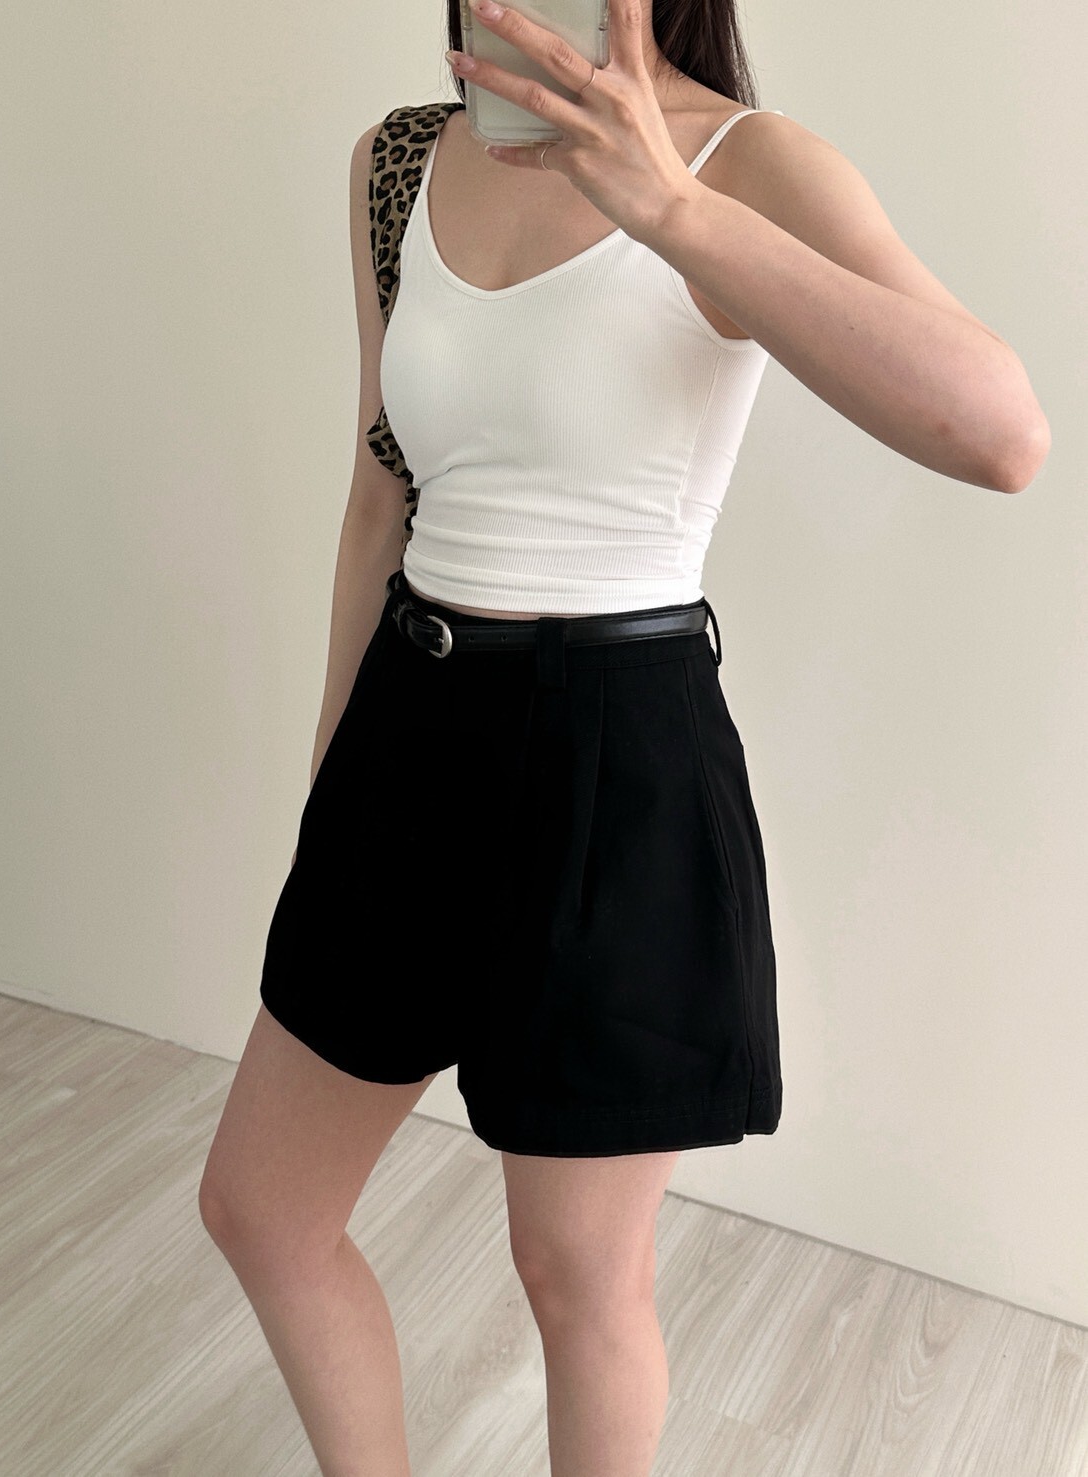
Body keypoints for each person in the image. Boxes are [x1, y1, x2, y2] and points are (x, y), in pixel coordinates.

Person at [198, 1, 1051, 1473]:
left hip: (619, 752)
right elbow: (379, 490)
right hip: (410, 725)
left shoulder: (745, 163)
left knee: (577, 1275)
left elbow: (1003, 432)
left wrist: (670, 209)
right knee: (262, 1209)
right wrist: (332, 775)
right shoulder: (399, 161)